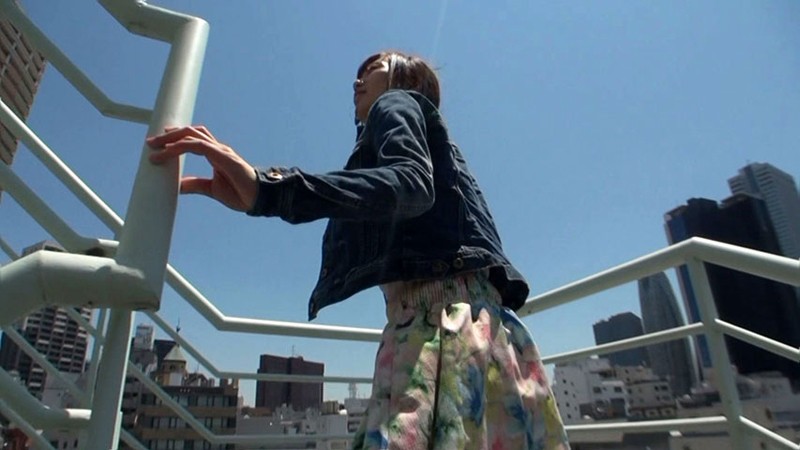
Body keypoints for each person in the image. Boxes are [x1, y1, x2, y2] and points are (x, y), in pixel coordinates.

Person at [148, 51, 569, 450]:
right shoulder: (435, 143)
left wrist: (270, 190)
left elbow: (409, 184)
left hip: (439, 328)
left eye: (373, 68)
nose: (357, 80)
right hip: (490, 331)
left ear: (404, 76)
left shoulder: (395, 103)